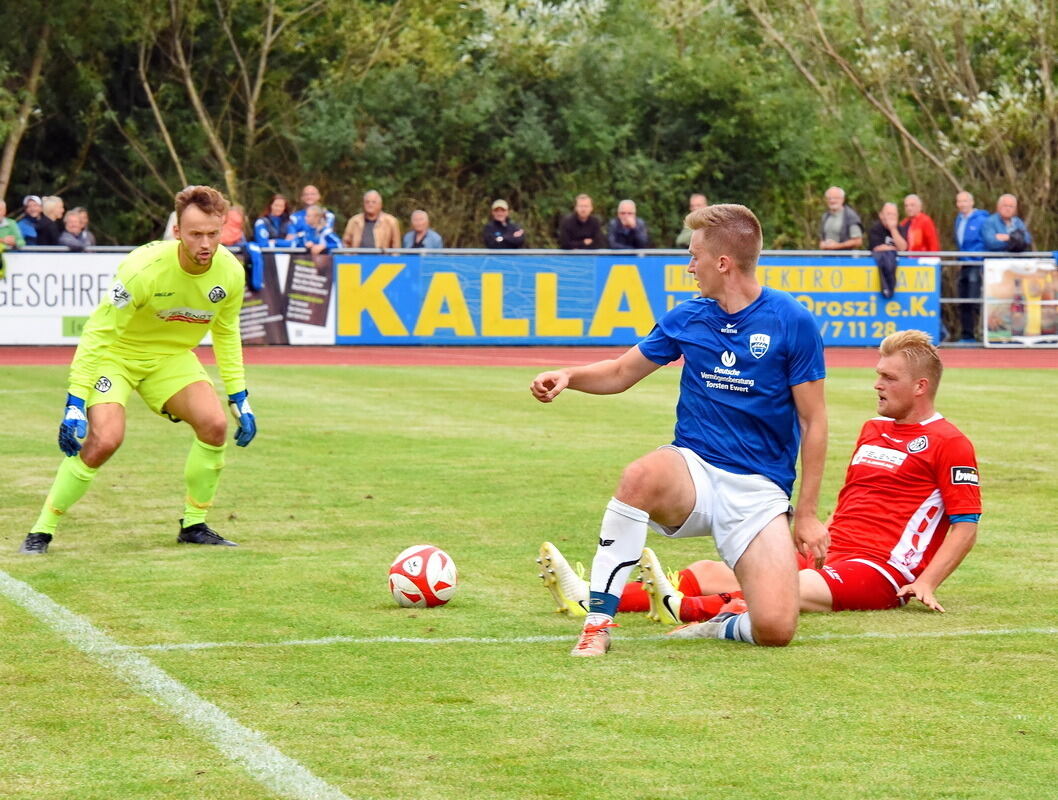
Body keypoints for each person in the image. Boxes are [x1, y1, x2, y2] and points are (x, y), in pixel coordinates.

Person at [529, 203, 828, 656]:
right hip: (695, 470)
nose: (689, 266)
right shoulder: (688, 317)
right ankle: (597, 625)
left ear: (723, 263)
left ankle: (716, 625)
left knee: (776, 628)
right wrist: (570, 376)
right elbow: (619, 372)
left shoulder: (792, 321)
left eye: (695, 256)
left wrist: (804, 512)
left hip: (760, 491)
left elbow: (813, 420)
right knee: (639, 477)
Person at [538, 329, 981, 631]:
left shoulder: (950, 442)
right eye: (877, 374)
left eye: (888, 377)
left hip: (881, 569)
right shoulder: (873, 429)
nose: (876, 384)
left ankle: (684, 611)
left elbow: (966, 524)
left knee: (784, 590)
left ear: (920, 386)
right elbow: (858, 498)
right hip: (832, 552)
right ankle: (592, 598)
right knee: (711, 570)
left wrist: (927, 581)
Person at [18, 185, 257, 555]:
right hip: (117, 357)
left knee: (215, 425)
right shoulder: (142, 270)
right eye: (196, 234)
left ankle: (193, 524)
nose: (206, 243)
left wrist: (239, 396)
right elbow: (98, 333)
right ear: (177, 231)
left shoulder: (230, 273)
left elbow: (226, 332)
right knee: (105, 440)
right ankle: (41, 531)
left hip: (171, 358)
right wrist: (75, 400)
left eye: (213, 233)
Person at [953, 191, 990, 342]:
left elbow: (985, 242)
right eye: (959, 201)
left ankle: (983, 333)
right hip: (964, 264)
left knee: (975, 299)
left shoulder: (982, 219)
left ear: (972, 202)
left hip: (976, 263)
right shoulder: (958, 219)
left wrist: (979, 260)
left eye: (965, 201)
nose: (962, 204)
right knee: (964, 299)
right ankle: (967, 335)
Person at [867, 202, 908, 298]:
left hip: (900, 272)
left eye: (894, 214)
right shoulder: (875, 229)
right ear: (881, 215)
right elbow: (877, 248)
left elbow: (903, 248)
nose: (891, 217)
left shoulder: (900, 229)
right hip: (877, 271)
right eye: (888, 214)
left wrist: (893, 229)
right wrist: (894, 248)